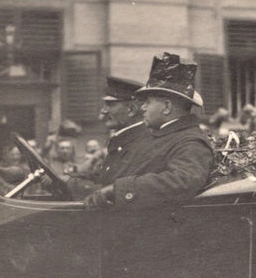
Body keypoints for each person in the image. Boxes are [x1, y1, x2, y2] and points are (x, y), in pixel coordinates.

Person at [82, 53, 215, 209]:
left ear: (167, 107)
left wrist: (120, 189)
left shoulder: (190, 142)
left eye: (148, 102)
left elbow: (183, 181)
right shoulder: (164, 136)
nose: (143, 107)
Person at [66, 76, 154, 199]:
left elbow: (112, 191)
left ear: (131, 109)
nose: (102, 112)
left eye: (109, 105)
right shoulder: (122, 141)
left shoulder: (142, 144)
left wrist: (70, 183)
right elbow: (99, 177)